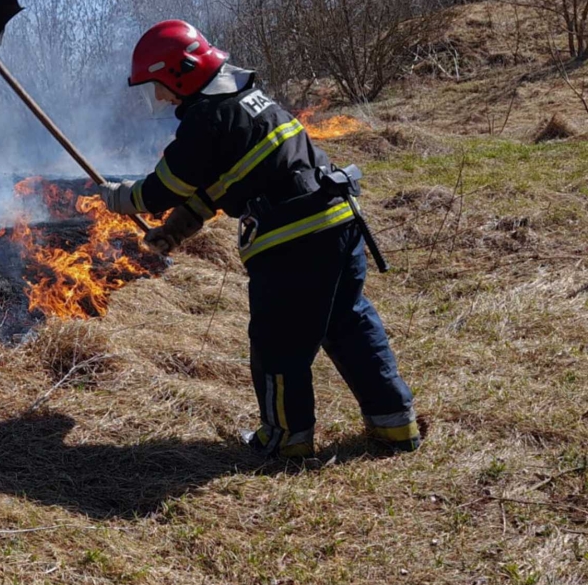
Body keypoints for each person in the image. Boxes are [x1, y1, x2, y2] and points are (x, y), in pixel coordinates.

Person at [99, 20, 420, 457]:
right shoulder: (247, 102)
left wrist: (121, 198)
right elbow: (227, 183)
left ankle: (286, 439)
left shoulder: (208, 116)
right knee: (349, 323)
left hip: (295, 241)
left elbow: (164, 187)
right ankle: (394, 427)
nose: (159, 97)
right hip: (339, 223)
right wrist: (175, 232)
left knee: (279, 341)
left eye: (158, 84)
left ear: (181, 72)